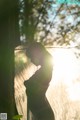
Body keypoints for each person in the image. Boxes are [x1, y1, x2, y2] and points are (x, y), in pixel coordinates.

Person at [24, 42, 55, 120]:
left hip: (42, 112)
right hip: (41, 111)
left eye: (31, 57)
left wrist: (28, 83)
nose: (31, 61)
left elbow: (32, 86)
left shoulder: (45, 72)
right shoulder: (45, 70)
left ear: (37, 55)